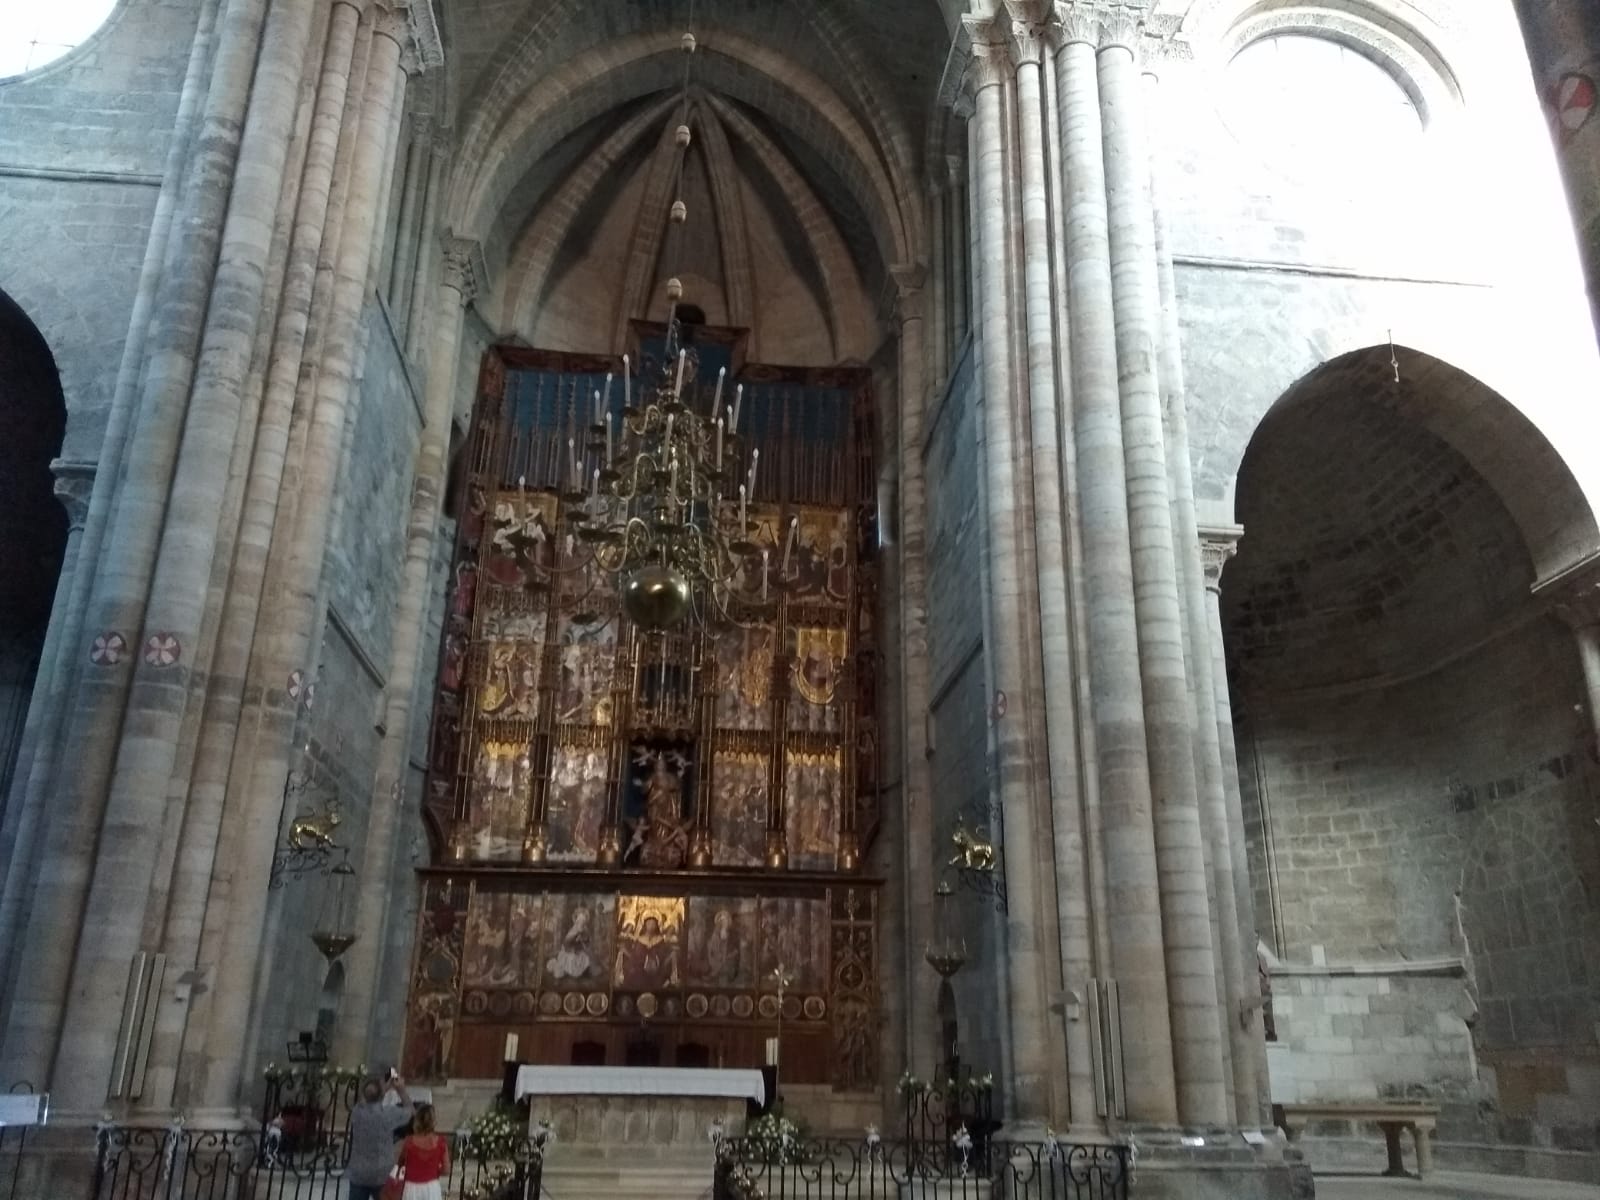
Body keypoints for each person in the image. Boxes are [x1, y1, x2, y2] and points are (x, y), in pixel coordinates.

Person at [346, 1073, 413, 1200]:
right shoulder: (388, 1114)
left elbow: (366, 1098)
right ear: (382, 1095)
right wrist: (401, 1090)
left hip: (359, 1172)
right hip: (382, 1173)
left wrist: (382, 1089)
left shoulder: (357, 1111)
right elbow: (410, 1111)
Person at [394, 1103, 450, 1200]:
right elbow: (446, 1170)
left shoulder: (409, 1142)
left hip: (412, 1187)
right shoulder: (440, 1142)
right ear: (433, 1121)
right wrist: (433, 1171)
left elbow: (400, 1162)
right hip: (432, 1187)